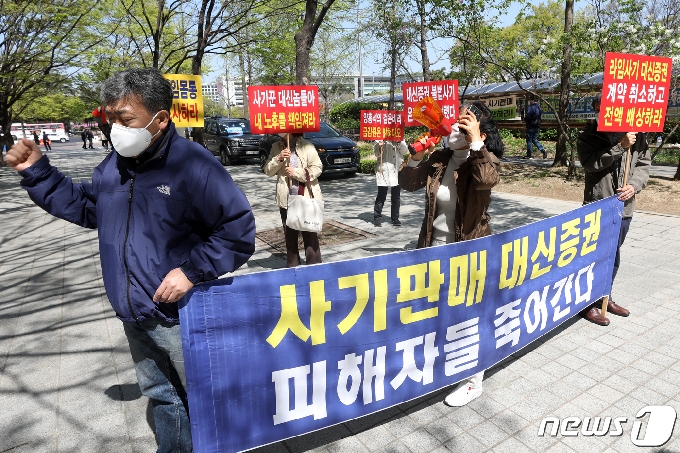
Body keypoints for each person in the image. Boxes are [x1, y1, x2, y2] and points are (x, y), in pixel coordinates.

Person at [4, 68, 256, 452]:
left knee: (206, 397)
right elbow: (90, 208)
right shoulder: (113, 166)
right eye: (111, 119)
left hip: (182, 313)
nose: (115, 129)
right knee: (162, 395)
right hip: (133, 309)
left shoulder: (193, 165)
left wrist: (191, 272)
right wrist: (38, 173)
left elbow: (237, 231)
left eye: (126, 120)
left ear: (160, 119)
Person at [399, 100, 502, 407]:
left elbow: (486, 180)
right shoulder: (441, 157)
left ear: (478, 128)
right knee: (439, 311)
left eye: (465, 123)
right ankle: (445, 363)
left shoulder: (485, 159)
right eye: (454, 121)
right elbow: (407, 183)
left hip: (469, 252)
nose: (455, 127)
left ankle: (473, 380)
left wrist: (477, 144)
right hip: (434, 248)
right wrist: (416, 157)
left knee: (468, 314)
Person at [576, 93, 650, 326]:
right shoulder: (589, 135)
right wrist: (620, 147)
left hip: (624, 207)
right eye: (599, 106)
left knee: (613, 255)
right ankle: (587, 304)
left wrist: (634, 186)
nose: (602, 109)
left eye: (606, 105)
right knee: (593, 256)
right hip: (597, 206)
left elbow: (643, 165)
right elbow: (591, 164)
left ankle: (605, 297)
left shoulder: (636, 133)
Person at [264, 132, 323, 267]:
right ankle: (293, 266)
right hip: (286, 199)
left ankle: (314, 267)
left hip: (305, 197)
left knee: (309, 233)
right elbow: (268, 171)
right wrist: (278, 158)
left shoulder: (307, 146)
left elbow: (317, 168)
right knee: (290, 236)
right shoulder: (276, 147)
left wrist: (296, 172)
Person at [373, 139, 407, 227]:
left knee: (396, 196)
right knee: (381, 195)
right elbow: (377, 154)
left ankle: (395, 218)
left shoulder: (399, 135)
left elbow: (405, 151)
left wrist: (399, 142)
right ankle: (377, 218)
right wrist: (380, 146)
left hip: (397, 170)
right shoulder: (378, 137)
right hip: (383, 170)